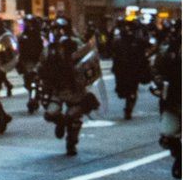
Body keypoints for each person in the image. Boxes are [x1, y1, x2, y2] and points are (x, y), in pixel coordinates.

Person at [38, 17, 100, 156]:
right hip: (56, 87)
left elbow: (88, 61)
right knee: (50, 113)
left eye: (59, 29)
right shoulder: (49, 49)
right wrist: (38, 74)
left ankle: (71, 142)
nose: (56, 33)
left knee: (74, 116)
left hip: (74, 87)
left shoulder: (76, 44)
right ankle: (61, 123)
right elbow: (41, 64)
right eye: (54, 30)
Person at [151, 18, 181, 178]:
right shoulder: (168, 49)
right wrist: (161, 83)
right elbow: (156, 68)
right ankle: (179, 157)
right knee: (167, 134)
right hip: (173, 100)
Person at [110, 17, 151, 120]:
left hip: (132, 69)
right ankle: (128, 105)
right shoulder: (119, 40)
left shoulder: (137, 40)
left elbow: (148, 48)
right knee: (124, 89)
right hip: (124, 69)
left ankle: (128, 108)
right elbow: (111, 51)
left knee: (131, 90)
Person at [17, 14, 44, 114]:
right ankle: (33, 95)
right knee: (28, 81)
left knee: (35, 79)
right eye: (27, 23)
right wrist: (18, 63)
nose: (28, 25)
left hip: (37, 61)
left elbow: (43, 49)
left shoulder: (39, 36)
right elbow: (18, 51)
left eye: (30, 23)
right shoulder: (22, 37)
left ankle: (34, 98)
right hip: (26, 61)